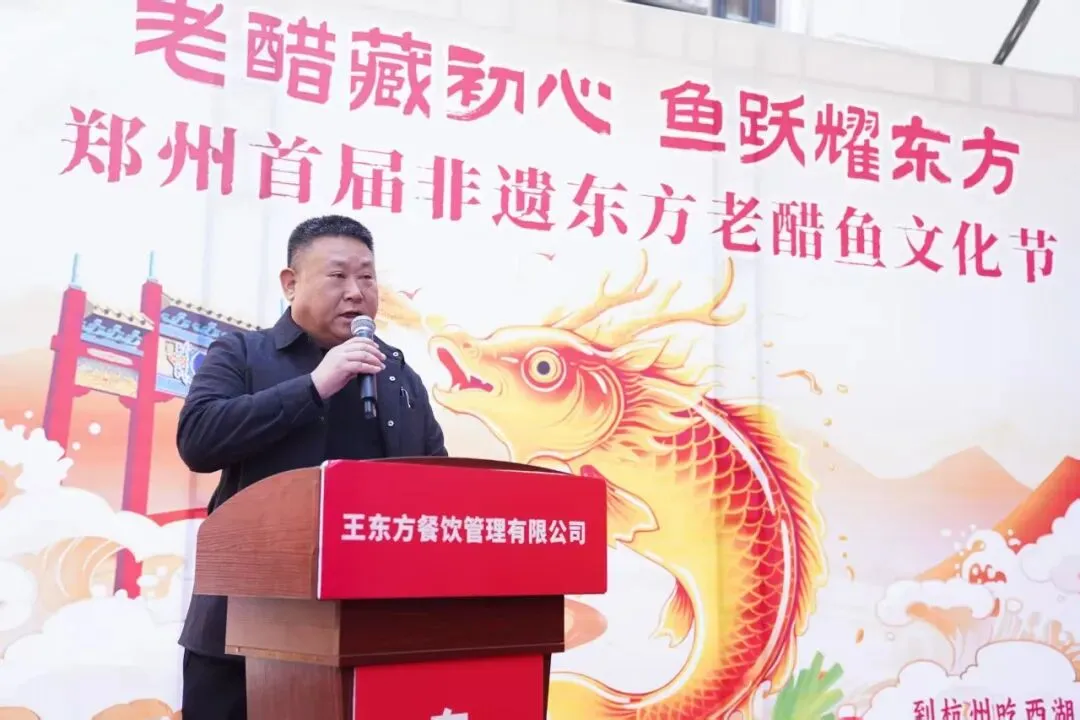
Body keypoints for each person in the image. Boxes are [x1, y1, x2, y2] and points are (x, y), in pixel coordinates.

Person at [176, 215, 448, 720]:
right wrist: (315, 386)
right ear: (290, 283)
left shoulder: (396, 374)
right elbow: (198, 441)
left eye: (367, 277)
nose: (356, 292)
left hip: (367, 632)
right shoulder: (241, 353)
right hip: (242, 631)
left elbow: (438, 485)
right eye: (338, 275)